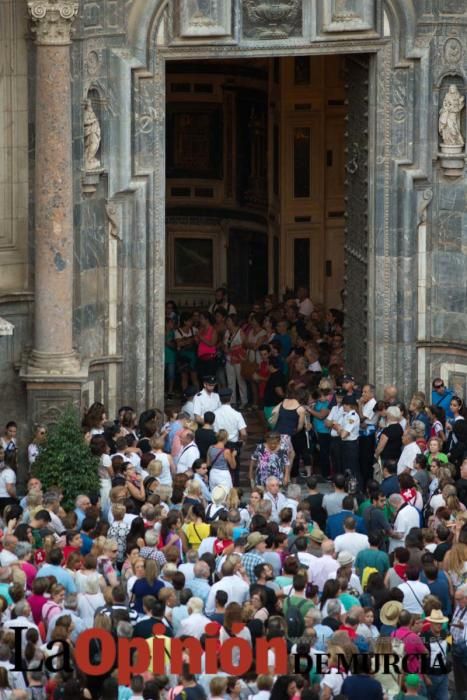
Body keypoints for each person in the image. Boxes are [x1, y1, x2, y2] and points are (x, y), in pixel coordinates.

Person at [337, 395, 361, 488]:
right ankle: (348, 487)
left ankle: (356, 489)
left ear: (349, 405)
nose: (343, 406)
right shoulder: (346, 415)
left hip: (351, 445)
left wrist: (340, 429)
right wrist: (340, 429)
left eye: (345, 404)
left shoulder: (353, 417)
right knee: (346, 468)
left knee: (352, 468)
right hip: (345, 444)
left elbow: (343, 434)